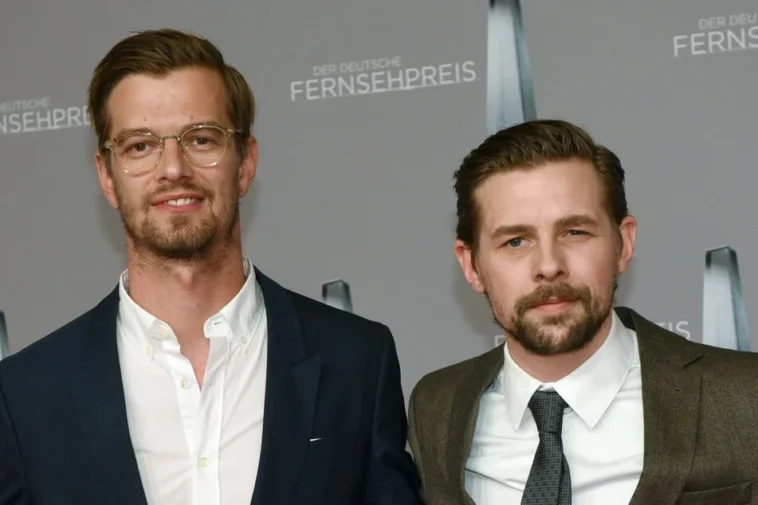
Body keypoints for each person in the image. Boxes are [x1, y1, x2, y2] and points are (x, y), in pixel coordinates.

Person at [0, 29, 421, 505]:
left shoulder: (356, 361)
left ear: (246, 163)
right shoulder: (25, 395)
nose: (173, 168)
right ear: (107, 177)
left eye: (201, 139)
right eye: (140, 146)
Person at [407, 119, 758, 505]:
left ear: (623, 244)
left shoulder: (745, 395)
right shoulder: (436, 406)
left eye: (574, 232)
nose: (549, 266)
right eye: (516, 241)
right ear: (471, 265)